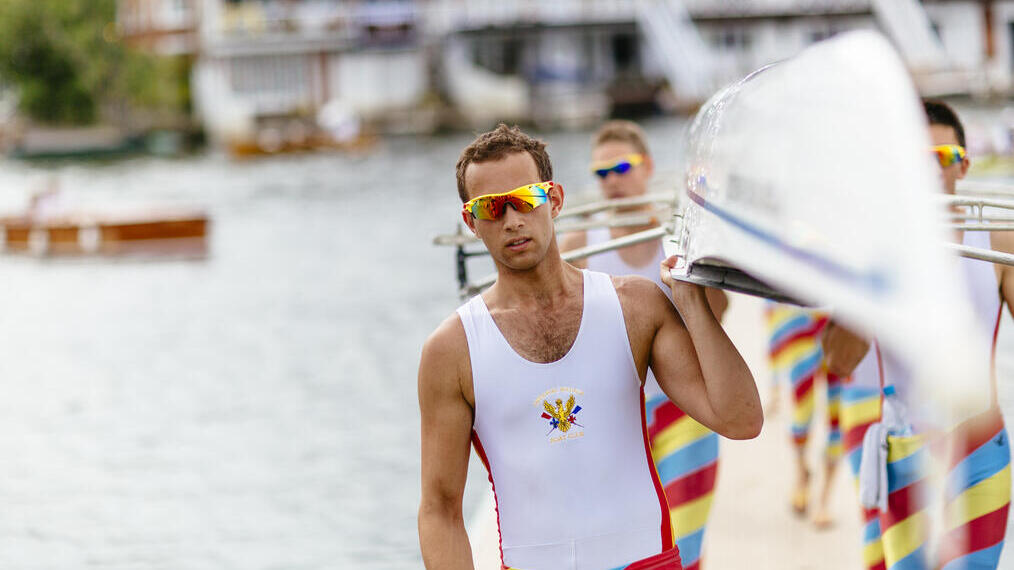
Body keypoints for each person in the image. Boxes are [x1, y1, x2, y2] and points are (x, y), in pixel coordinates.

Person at [417, 123, 762, 570]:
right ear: (471, 221)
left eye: (526, 199)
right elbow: (440, 509)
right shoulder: (452, 350)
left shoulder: (635, 306)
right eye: (493, 207)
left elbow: (741, 419)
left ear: (554, 199)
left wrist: (694, 306)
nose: (513, 220)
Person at [559, 120, 726, 570]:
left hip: (684, 411)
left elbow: (720, 317)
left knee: (685, 544)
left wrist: (701, 263)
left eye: (621, 167)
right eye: (601, 173)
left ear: (647, 167)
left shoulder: (677, 237)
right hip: (615, 422)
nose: (612, 180)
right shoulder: (581, 243)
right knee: (628, 552)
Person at [855, 100, 1013, 570]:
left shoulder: (997, 239)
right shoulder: (876, 250)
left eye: (941, 157)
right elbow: (839, 361)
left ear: (963, 165)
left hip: (980, 445)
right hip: (905, 447)